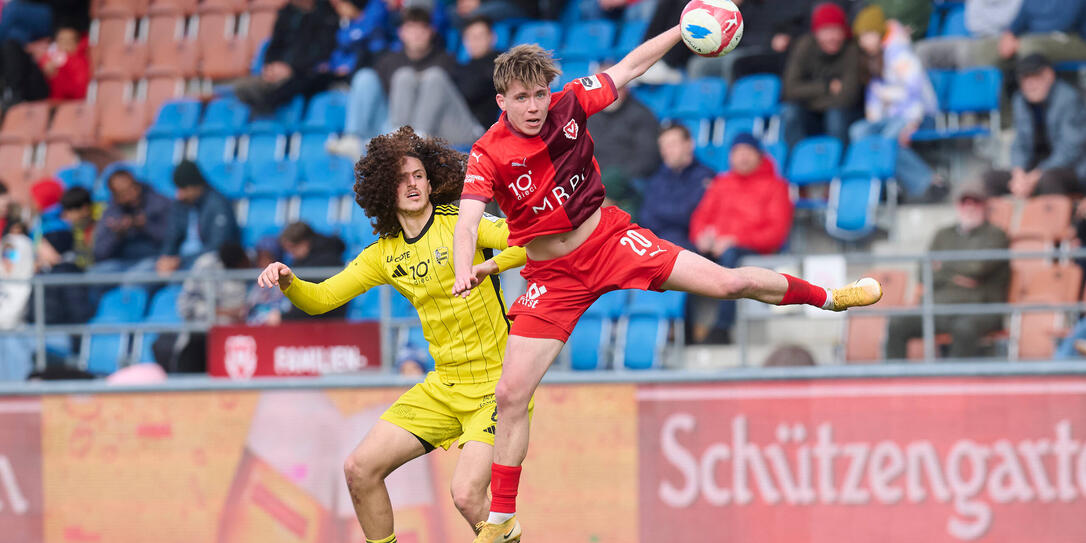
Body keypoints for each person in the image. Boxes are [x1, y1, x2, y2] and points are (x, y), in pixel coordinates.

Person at [452, 35, 883, 542]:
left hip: (610, 240)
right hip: (554, 277)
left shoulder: (572, 103)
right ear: (502, 101)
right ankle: (502, 521)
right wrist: (465, 267)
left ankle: (830, 298)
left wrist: (683, 29)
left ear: (550, 92)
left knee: (729, 282)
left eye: (538, 95)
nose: (532, 106)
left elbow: (632, 65)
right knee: (510, 394)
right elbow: (467, 223)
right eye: (519, 98)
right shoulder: (488, 153)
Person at [256, 126, 528, 543]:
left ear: (431, 180)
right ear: (386, 188)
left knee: (468, 495)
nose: (412, 184)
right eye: (401, 178)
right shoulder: (384, 253)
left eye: (418, 175)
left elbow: (530, 243)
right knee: (359, 470)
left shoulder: (462, 224)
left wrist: (490, 267)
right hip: (443, 388)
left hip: (498, 385)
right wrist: (289, 280)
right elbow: (322, 298)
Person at [885, 181, 1010, 360]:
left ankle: (955, 382)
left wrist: (943, 267)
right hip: (940, 305)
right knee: (897, 324)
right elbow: (924, 272)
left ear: (984, 206)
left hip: (980, 307)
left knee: (964, 329)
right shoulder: (943, 234)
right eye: (964, 202)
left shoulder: (996, 235)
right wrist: (957, 275)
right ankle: (893, 381)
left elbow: (977, 268)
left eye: (975, 202)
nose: (969, 207)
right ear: (957, 206)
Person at [688, 133, 793, 343]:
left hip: (753, 252)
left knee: (732, 257)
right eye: (737, 152)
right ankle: (686, 331)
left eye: (748, 152)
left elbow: (775, 235)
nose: (742, 157)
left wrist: (736, 239)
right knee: (685, 257)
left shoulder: (776, 186)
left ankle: (722, 328)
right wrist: (703, 236)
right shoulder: (721, 183)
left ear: (759, 155)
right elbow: (700, 218)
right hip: (718, 249)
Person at [329, 7, 461, 157]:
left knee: (416, 77)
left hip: (430, 129)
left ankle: (399, 143)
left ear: (431, 31)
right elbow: (376, 97)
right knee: (365, 77)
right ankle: (353, 137)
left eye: (421, 29)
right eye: (411, 28)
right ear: (401, 33)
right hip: (393, 124)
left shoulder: (445, 61)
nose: (416, 34)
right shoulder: (389, 61)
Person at [850, 14, 940, 200]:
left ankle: (928, 182)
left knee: (886, 140)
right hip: (889, 119)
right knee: (859, 132)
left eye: (867, 35)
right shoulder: (870, 60)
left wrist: (911, 123)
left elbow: (916, 92)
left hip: (919, 115)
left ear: (878, 33)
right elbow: (874, 97)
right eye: (861, 37)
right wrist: (874, 120)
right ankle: (878, 189)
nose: (864, 41)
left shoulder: (900, 54)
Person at [984, 54, 1086, 198]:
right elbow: (1019, 143)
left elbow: (1070, 150)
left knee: (1049, 179)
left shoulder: (1068, 99)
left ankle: (1055, 220)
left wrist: (1036, 175)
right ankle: (997, 221)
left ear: (1049, 75)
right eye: (1025, 78)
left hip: (1070, 171)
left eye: (1035, 76)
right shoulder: (1020, 100)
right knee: (990, 178)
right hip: (1032, 171)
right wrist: (1018, 173)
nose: (1030, 84)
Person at [156, 242, 251, 373]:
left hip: (235, 341)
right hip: (201, 337)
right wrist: (223, 312)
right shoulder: (205, 265)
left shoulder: (252, 266)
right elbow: (184, 306)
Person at [232, 0, 339, 113]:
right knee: (242, 87)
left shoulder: (327, 16)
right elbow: (274, 45)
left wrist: (290, 69)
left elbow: (321, 53)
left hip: (303, 74)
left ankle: (268, 115)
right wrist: (271, 67)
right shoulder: (286, 13)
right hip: (278, 73)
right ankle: (264, 114)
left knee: (293, 87)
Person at [780, 2, 862, 146]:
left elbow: (848, 96)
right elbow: (789, 90)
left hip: (842, 114)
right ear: (816, 33)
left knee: (835, 115)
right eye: (826, 31)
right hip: (810, 112)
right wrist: (826, 87)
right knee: (789, 113)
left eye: (836, 30)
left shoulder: (852, 50)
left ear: (844, 31)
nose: (832, 37)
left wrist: (809, 93)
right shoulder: (804, 46)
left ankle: (837, 163)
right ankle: (797, 162)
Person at [587, 81, 660, 216]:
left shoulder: (641, 114)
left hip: (629, 180)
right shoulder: (590, 116)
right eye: (604, 90)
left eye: (616, 88)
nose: (610, 94)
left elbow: (648, 156)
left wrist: (621, 177)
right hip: (594, 180)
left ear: (626, 88)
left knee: (609, 180)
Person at [637, 123, 714, 252]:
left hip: (687, 247)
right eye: (663, 146)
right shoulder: (658, 177)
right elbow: (645, 217)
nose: (667, 151)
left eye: (672, 144)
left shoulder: (704, 177)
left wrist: (660, 212)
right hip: (655, 242)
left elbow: (687, 216)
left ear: (689, 144)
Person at [158, 160, 240, 275]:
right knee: (144, 270)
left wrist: (180, 261)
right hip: (179, 263)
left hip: (204, 264)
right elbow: (172, 236)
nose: (179, 195)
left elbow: (219, 246)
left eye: (184, 189)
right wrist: (166, 257)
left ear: (196, 186)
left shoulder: (218, 205)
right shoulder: (181, 204)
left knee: (203, 264)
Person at [93, 164, 173, 274]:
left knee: (135, 278)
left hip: (153, 259)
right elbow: (99, 253)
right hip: (121, 263)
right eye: (123, 193)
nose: (131, 195)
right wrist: (116, 235)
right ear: (115, 196)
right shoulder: (111, 213)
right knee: (95, 275)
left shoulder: (159, 203)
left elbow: (172, 240)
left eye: (132, 188)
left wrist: (145, 226)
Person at [915, 0, 1022, 70]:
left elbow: (1012, 19)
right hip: (974, 40)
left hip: (1000, 41)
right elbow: (974, 23)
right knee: (920, 51)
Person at [278, 221, 348, 320]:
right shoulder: (301, 261)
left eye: (292, 249)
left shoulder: (328, 262)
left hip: (327, 323)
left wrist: (283, 318)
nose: (290, 254)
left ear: (304, 243)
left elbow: (315, 302)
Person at [58, 186, 94, 269]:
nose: (65, 215)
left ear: (84, 209)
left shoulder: (100, 229)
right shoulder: (73, 230)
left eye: (69, 210)